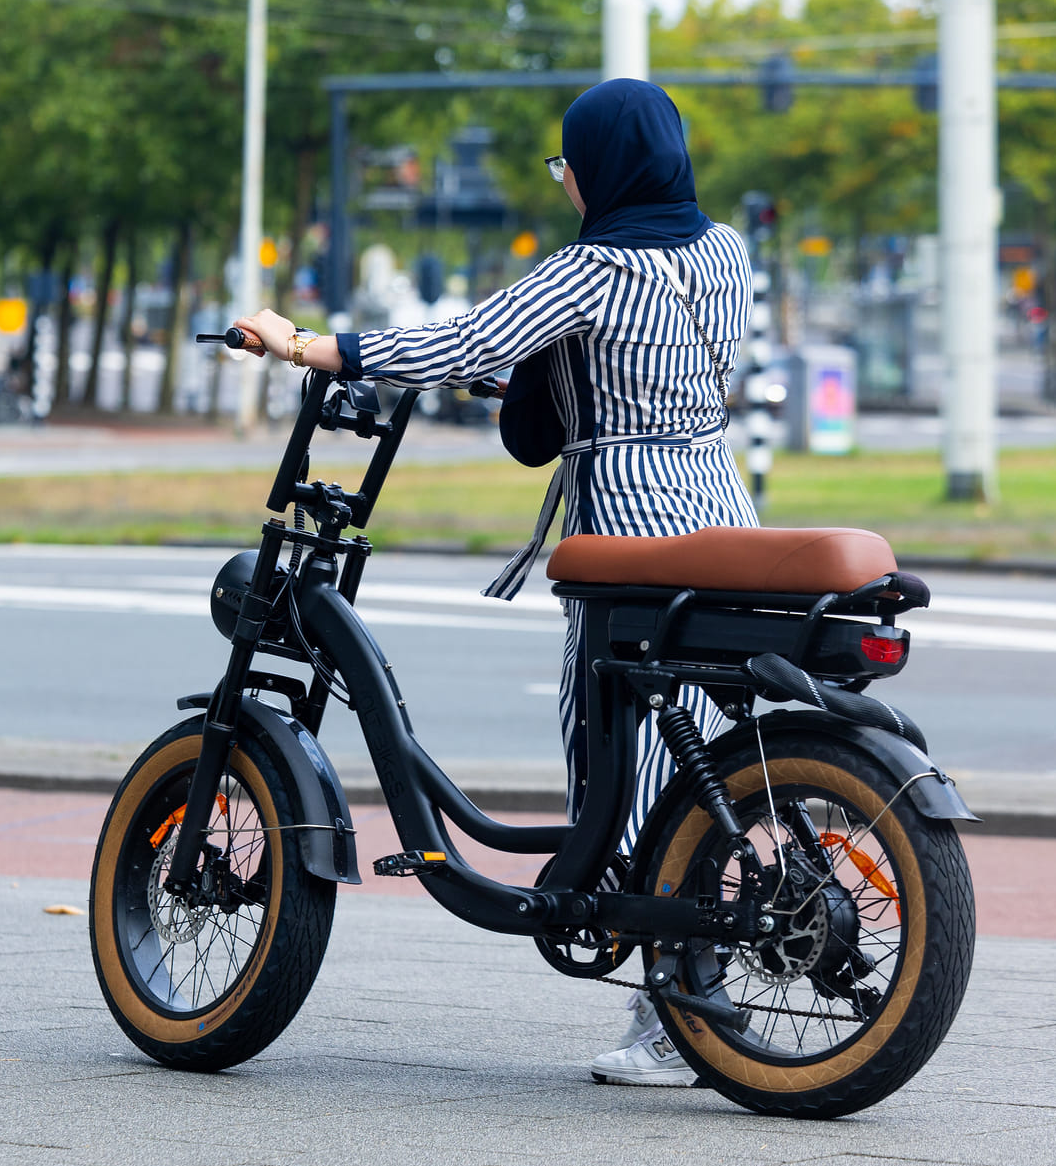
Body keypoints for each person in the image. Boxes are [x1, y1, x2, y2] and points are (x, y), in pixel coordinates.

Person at [233, 79, 757, 1088]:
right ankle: (677, 956)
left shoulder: (595, 268)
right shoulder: (725, 248)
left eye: (570, 168)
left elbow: (466, 340)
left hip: (635, 517)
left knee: (621, 743)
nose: (568, 187)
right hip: (720, 499)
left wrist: (309, 345)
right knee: (690, 728)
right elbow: (588, 364)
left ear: (599, 170)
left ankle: (669, 1013)